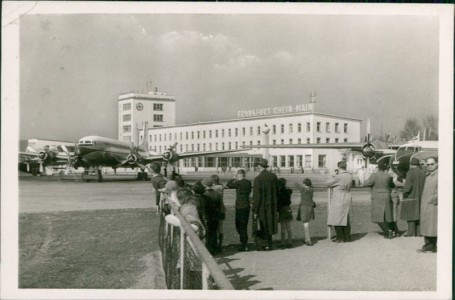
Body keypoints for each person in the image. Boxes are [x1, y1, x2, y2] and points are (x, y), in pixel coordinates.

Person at [252, 158, 279, 250]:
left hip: (262, 205)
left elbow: (257, 196)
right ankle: (270, 244)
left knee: (261, 224)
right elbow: (277, 190)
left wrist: (255, 210)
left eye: (258, 166)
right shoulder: (273, 176)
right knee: (270, 223)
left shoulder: (258, 179)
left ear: (260, 166)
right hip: (272, 204)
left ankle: (263, 245)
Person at [364, 161, 395, 239]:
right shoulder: (388, 176)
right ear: (385, 168)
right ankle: (389, 231)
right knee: (386, 215)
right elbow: (392, 185)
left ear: (378, 168)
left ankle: (388, 231)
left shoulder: (374, 175)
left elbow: (366, 183)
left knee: (378, 216)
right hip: (386, 195)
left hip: (377, 196)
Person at [327, 161, 353, 243]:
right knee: (345, 217)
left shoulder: (338, 177)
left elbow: (327, 183)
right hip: (347, 195)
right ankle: (347, 237)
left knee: (337, 218)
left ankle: (340, 238)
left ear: (338, 167)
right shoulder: (350, 175)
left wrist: (333, 176)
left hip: (339, 196)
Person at [226, 169, 252, 251]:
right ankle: (244, 242)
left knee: (239, 225)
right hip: (246, 205)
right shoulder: (248, 182)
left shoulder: (238, 183)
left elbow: (229, 184)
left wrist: (233, 178)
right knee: (244, 225)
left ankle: (244, 243)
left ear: (238, 176)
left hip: (240, 206)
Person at [400, 157, 426, 237]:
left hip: (411, 196)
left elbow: (408, 186)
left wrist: (404, 193)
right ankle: (419, 232)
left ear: (411, 165)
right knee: (419, 214)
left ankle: (411, 232)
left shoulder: (410, 172)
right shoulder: (423, 171)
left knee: (410, 214)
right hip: (421, 195)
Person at [418, 157, 438, 253]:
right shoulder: (428, 175)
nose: (430, 166)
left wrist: (433, 200)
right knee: (427, 225)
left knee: (433, 226)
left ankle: (432, 246)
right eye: (428, 164)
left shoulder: (439, 176)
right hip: (426, 205)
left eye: (432, 164)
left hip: (433, 205)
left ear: (437, 164)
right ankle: (428, 245)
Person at [201, 178, 222, 254]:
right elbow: (220, 204)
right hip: (216, 214)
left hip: (208, 215)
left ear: (205, 185)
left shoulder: (204, 194)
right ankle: (215, 247)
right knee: (214, 232)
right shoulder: (217, 193)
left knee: (208, 232)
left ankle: (209, 248)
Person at [295, 178, 316, 246]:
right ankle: (307, 239)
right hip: (310, 207)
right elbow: (311, 187)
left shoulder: (303, 189)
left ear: (304, 184)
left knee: (305, 223)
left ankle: (308, 239)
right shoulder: (311, 189)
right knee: (306, 223)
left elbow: (296, 184)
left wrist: (303, 185)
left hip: (304, 207)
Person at [211, 174, 226, 251]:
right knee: (220, 227)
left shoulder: (212, 188)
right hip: (221, 208)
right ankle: (220, 243)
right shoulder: (221, 187)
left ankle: (214, 244)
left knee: (213, 227)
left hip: (214, 209)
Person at [276, 178, 293, 248]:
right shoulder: (288, 191)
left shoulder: (279, 192)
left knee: (283, 227)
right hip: (288, 208)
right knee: (288, 227)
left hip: (282, 209)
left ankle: (283, 242)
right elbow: (290, 191)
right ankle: (289, 241)